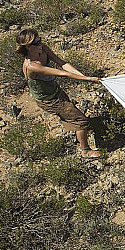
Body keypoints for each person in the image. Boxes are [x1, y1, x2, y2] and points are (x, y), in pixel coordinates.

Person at [15, 29, 102, 158]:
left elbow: (62, 64)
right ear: (28, 46)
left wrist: (84, 77)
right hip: (48, 100)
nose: (40, 43)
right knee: (80, 120)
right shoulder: (31, 66)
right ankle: (85, 150)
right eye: (37, 42)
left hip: (55, 91)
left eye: (40, 40)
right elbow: (63, 73)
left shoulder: (43, 49)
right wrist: (88, 79)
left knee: (71, 114)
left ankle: (76, 131)